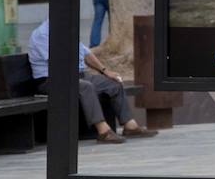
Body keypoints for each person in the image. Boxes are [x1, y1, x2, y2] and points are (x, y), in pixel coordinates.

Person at [27, 19, 157, 144]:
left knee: (114, 84)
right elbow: (58, 62)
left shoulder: (67, 31)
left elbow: (86, 54)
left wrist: (105, 71)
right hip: (52, 80)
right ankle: (103, 132)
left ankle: (130, 126)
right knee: (85, 86)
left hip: (76, 76)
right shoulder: (42, 34)